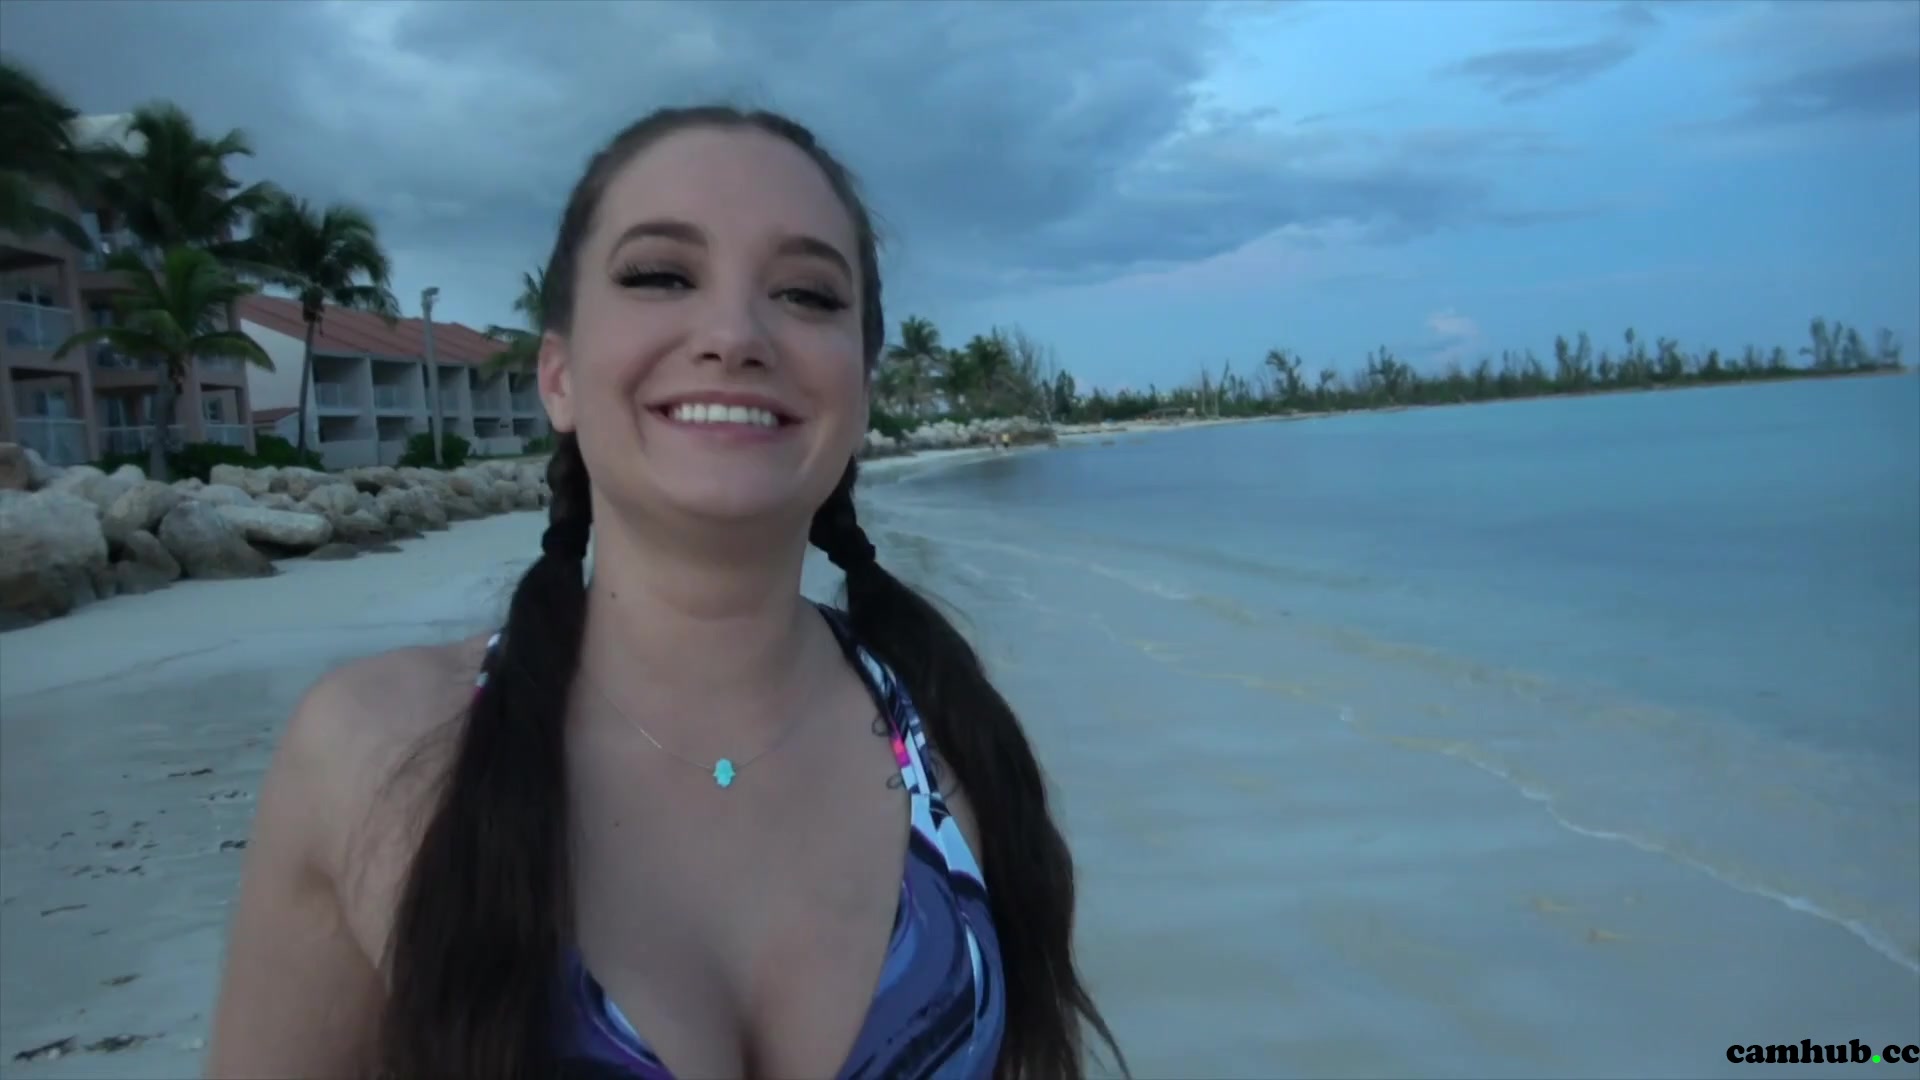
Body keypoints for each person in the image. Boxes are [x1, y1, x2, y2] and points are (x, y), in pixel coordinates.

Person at [203, 106, 1125, 1080]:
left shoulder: (958, 745)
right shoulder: (375, 753)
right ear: (558, 375)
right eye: (659, 276)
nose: (734, 334)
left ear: (861, 390)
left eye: (806, 294)